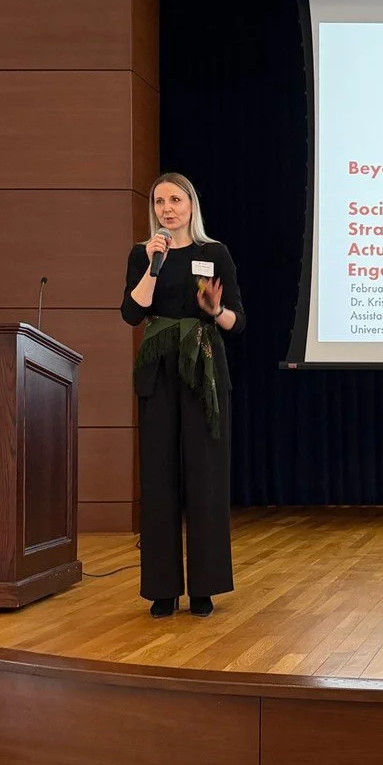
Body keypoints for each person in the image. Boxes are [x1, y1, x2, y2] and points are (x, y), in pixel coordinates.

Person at [120, 173, 245, 618]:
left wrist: (216, 309)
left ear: (191, 205)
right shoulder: (143, 254)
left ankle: (204, 588)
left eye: (175, 200)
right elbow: (131, 313)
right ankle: (162, 589)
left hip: (203, 369)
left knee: (205, 477)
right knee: (159, 478)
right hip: (159, 371)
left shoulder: (214, 253)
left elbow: (237, 321)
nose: (167, 208)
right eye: (159, 201)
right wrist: (153, 266)